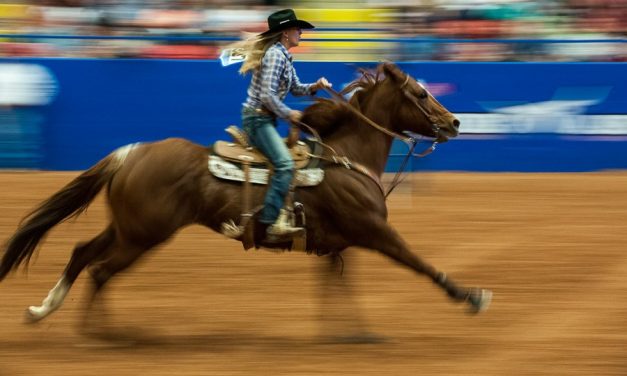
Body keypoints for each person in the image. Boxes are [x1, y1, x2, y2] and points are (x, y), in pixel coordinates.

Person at [226, 9, 332, 237]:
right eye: (297, 28)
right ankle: (270, 220)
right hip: (258, 118)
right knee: (285, 164)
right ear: (286, 32)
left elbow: (296, 87)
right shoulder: (275, 55)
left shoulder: (283, 55)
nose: (300, 32)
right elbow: (266, 96)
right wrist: (288, 113)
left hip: (263, 118)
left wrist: (316, 86)